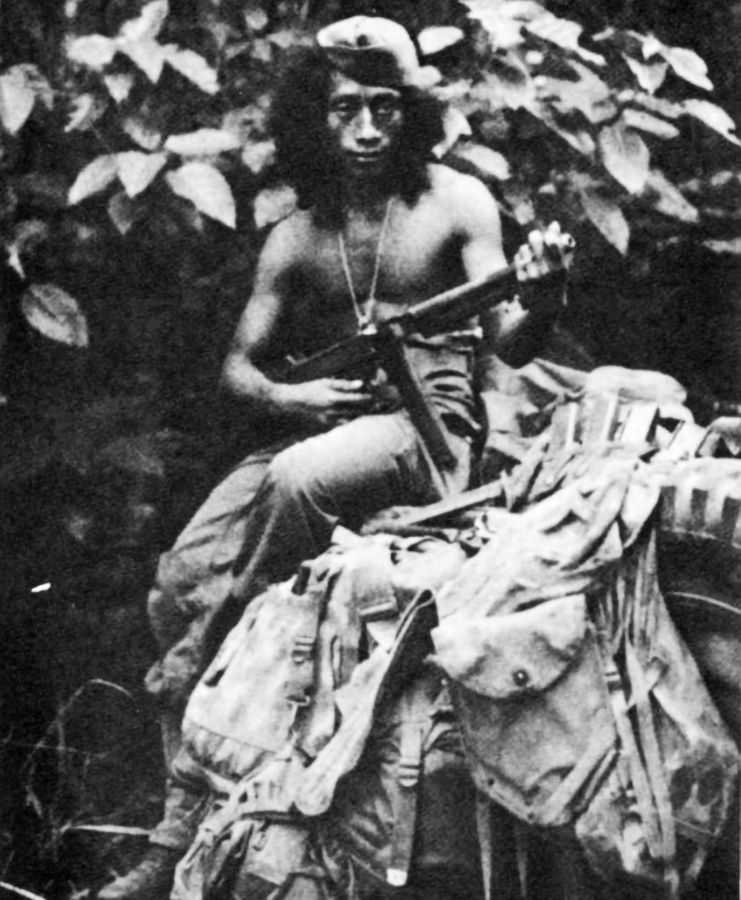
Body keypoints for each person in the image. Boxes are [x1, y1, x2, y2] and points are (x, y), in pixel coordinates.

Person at [98, 15, 568, 900]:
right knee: (181, 573)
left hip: (430, 431)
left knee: (293, 483)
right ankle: (179, 836)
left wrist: (543, 294)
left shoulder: (456, 204)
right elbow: (240, 365)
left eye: (384, 109)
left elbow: (510, 341)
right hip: (321, 423)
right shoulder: (297, 235)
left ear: (412, 114)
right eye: (344, 108)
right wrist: (288, 398)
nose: (363, 130)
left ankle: (207, 668)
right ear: (313, 118)